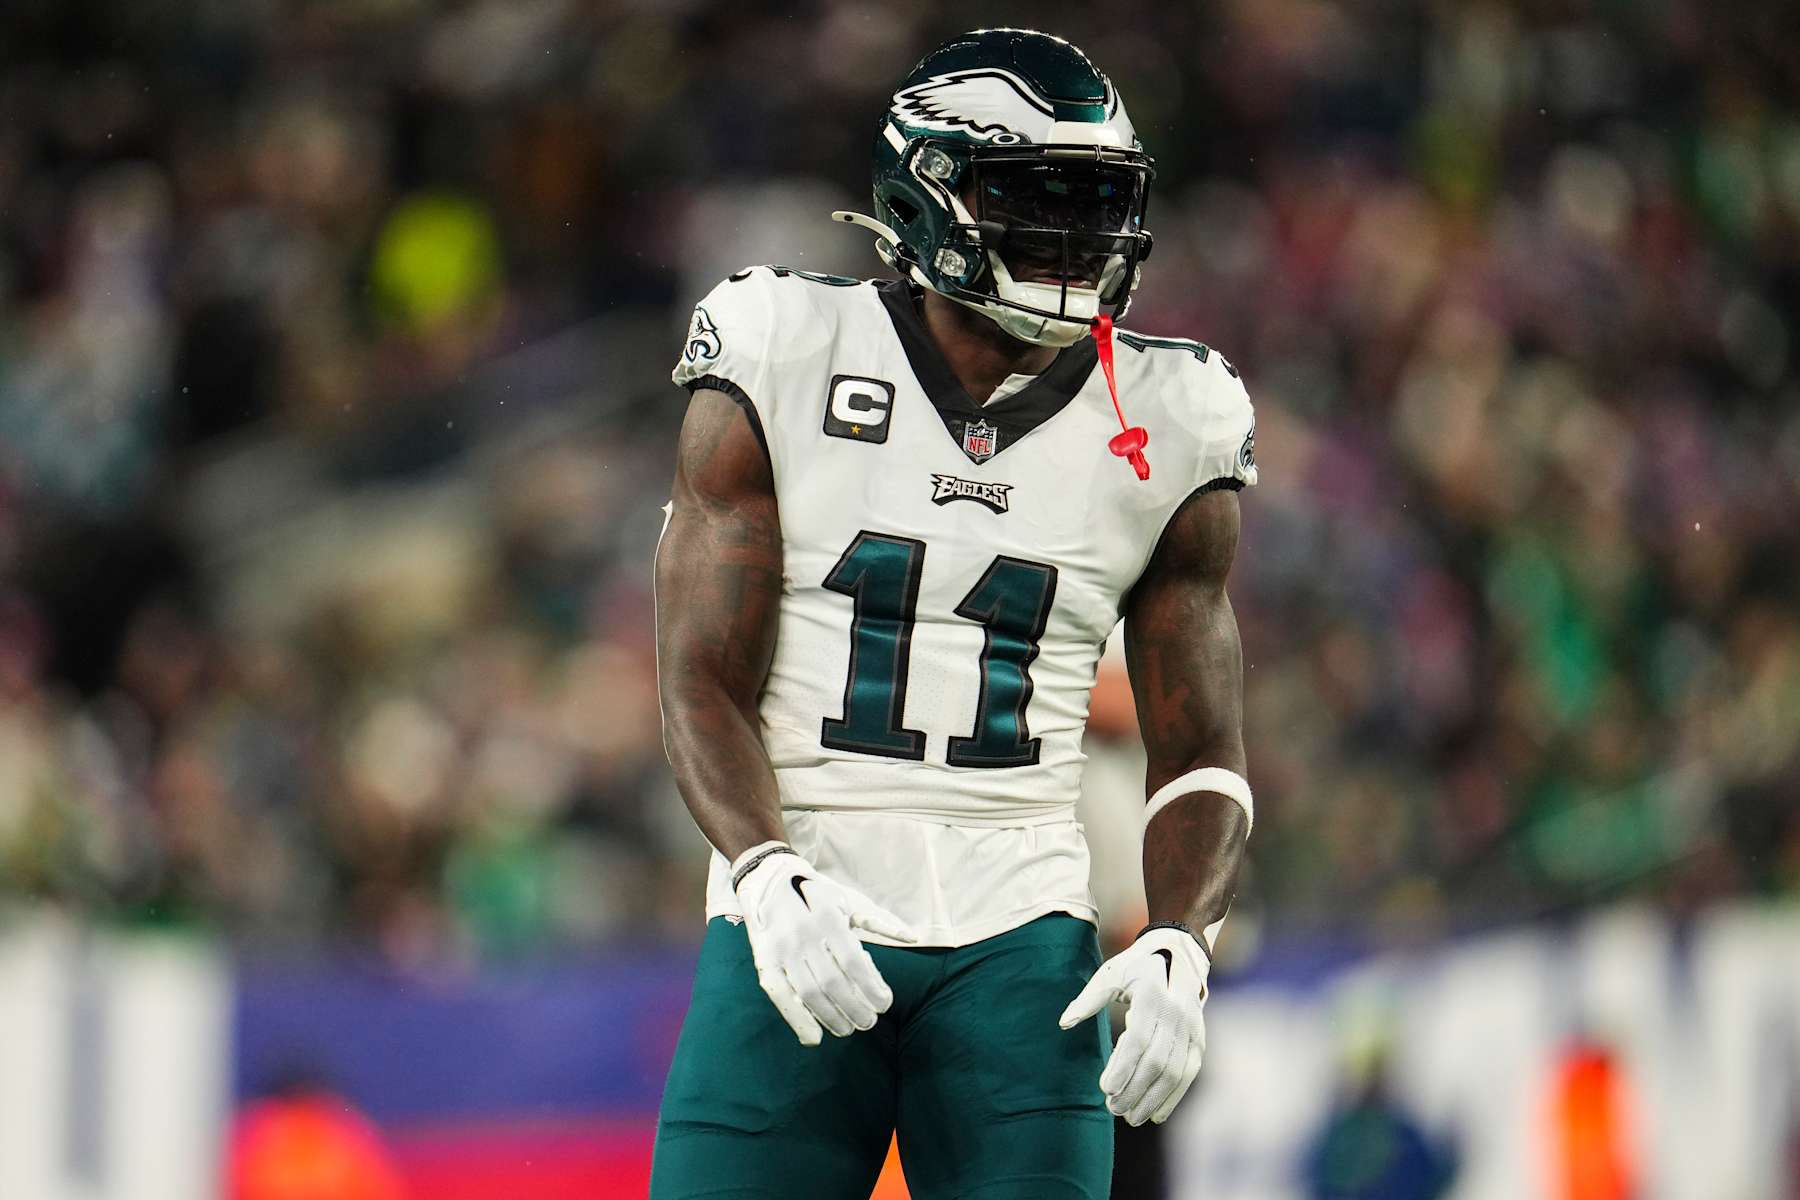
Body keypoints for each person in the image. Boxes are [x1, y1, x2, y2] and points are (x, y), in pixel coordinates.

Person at [651, 27, 1258, 1199]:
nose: (1080, 236)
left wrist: (1183, 939)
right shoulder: (786, 349)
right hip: (804, 895)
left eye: (1100, 202)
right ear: (926, 193)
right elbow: (699, 680)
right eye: (1041, 197)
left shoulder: (1173, 417)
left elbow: (1201, 749)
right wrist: (764, 870)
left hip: (1024, 926)